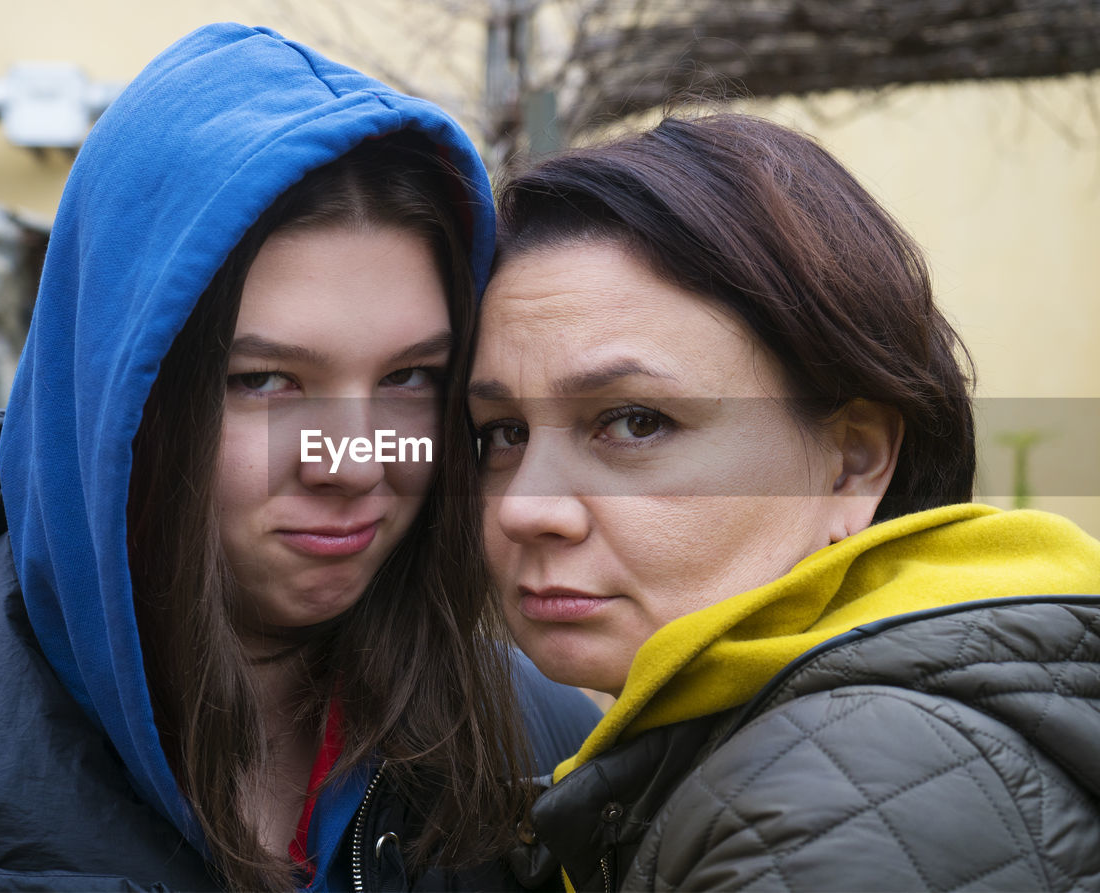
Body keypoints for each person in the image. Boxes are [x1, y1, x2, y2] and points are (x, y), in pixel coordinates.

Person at [0, 23, 599, 891]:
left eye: (411, 376)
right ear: (120, 394)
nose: (351, 463)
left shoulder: (536, 744)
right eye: (263, 381)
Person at [469, 111, 1100, 891]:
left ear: (853, 462)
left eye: (635, 421)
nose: (524, 509)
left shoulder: (840, 798)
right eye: (499, 432)